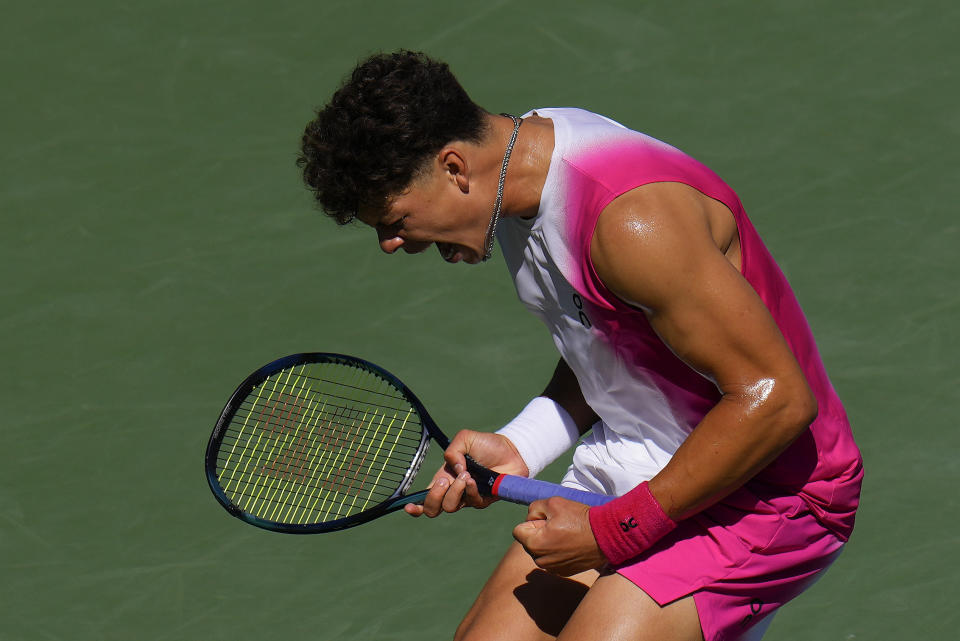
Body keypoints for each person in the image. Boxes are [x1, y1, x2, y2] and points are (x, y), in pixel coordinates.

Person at [297, 50, 863, 641]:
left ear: (455, 167)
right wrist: (523, 442)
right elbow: (613, 343)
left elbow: (776, 400)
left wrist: (615, 530)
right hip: (640, 462)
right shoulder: (524, 167)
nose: (390, 243)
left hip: (768, 490)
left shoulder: (630, 223)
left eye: (393, 219)